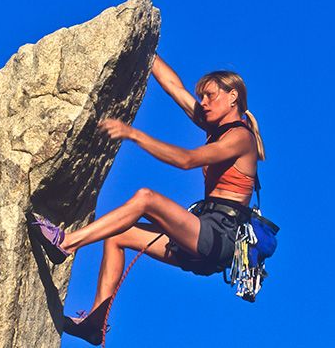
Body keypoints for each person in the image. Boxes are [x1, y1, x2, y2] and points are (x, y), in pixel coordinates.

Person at [30, 54, 267, 345]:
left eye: (210, 96)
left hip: (220, 235)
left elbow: (186, 159)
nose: (203, 103)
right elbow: (173, 86)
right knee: (118, 236)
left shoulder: (240, 138)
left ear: (233, 97)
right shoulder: (214, 128)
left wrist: (134, 135)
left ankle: (66, 243)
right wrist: (147, 51)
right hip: (201, 233)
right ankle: (95, 323)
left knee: (146, 199)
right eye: (201, 97)